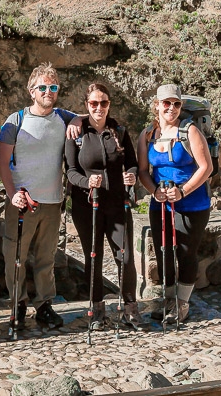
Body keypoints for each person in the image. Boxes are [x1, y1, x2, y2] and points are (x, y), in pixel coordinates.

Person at [0, 62, 78, 332]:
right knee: (15, 256)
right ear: (31, 91)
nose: (48, 91)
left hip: (53, 202)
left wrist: (78, 119)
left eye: (53, 87)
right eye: (42, 87)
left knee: (46, 257)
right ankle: (17, 304)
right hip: (22, 203)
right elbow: (2, 164)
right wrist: (11, 196)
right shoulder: (15, 121)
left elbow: (86, 116)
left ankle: (44, 305)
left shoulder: (63, 117)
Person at [64, 83, 142, 330]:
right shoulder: (76, 134)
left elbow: (132, 164)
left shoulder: (119, 131)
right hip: (87, 204)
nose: (99, 107)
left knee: (125, 257)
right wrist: (88, 182)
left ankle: (130, 308)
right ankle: (96, 309)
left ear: (109, 104)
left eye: (104, 103)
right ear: (86, 105)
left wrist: (131, 176)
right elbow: (70, 171)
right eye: (94, 103)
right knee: (93, 256)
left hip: (117, 203)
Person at [137, 83, 213, 324]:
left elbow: (206, 168)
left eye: (176, 104)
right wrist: (154, 191)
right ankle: (168, 301)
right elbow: (143, 170)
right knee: (163, 254)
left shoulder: (189, 131)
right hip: (160, 205)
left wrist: (183, 191)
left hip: (192, 205)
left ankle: (182, 303)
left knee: (186, 253)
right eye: (166, 103)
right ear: (157, 105)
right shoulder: (147, 135)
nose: (171, 108)